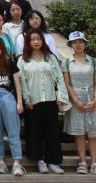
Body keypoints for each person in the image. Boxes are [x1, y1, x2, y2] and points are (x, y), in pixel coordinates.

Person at [18, 28, 70, 174]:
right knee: (34, 132)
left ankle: (53, 161)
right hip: (33, 102)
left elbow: (59, 77)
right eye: (33, 39)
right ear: (28, 42)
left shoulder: (50, 57)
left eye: (38, 39)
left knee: (52, 132)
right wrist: (26, 98)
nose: (36, 42)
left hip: (50, 99)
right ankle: (39, 161)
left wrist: (61, 96)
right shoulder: (23, 60)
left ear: (42, 40)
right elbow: (22, 81)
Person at [63, 31, 96, 175]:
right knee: (79, 132)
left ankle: (95, 162)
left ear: (85, 44)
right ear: (71, 45)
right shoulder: (66, 63)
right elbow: (67, 83)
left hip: (92, 97)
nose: (78, 45)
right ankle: (82, 162)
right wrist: (75, 100)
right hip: (76, 99)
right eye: (74, 42)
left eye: (81, 42)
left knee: (94, 132)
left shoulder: (94, 61)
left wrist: (95, 99)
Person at [0, 37, 25, 176]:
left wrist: (19, 102)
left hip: (8, 97)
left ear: (3, 49)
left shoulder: (10, 64)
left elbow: (17, 84)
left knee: (13, 131)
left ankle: (17, 163)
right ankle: (1, 161)